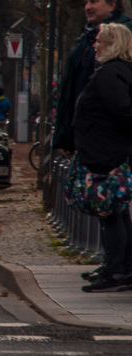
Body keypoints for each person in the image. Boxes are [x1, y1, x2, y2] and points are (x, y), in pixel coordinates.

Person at [71, 22, 132, 292]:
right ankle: (119, 268)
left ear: (113, 45)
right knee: (115, 211)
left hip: (105, 153)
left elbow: (123, 111)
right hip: (106, 149)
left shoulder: (110, 74)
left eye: (100, 41)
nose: (94, 45)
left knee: (110, 211)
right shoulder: (117, 72)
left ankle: (116, 271)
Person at [54, 0, 132, 151]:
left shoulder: (124, 36)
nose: (88, 7)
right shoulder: (84, 40)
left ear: (111, 5)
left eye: (94, 1)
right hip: (87, 139)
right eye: (86, 2)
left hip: (107, 143)